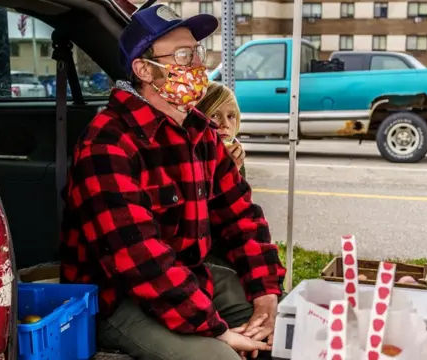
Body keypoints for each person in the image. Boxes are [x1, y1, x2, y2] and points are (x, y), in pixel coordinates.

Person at [59, 5, 286, 360]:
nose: (198, 66)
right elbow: (139, 259)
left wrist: (266, 293)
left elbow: (241, 216)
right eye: (184, 55)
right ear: (144, 69)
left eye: (198, 53)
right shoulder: (107, 143)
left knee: (282, 334)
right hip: (118, 299)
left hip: (187, 279)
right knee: (220, 358)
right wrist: (216, 330)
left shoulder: (200, 132)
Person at [196, 81, 247, 179]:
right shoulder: (191, 159)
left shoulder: (235, 155)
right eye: (214, 115)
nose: (225, 125)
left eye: (231, 116)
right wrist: (226, 170)